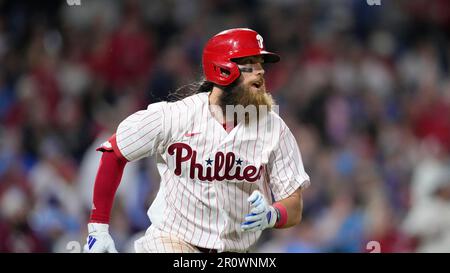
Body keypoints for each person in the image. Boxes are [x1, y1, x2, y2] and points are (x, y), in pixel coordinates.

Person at [83, 28, 310, 253]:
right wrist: (98, 228)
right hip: (171, 242)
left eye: (261, 63)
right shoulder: (176, 116)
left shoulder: (273, 127)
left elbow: (294, 203)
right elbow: (114, 150)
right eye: (250, 63)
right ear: (222, 69)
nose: (260, 72)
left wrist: (272, 214)